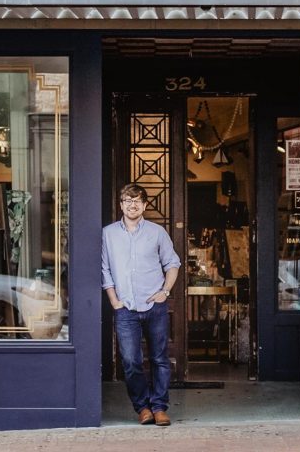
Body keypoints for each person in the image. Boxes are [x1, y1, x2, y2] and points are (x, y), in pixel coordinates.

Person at [101, 183, 181, 427]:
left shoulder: (157, 232)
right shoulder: (108, 233)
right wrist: (114, 300)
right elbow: (104, 268)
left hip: (154, 307)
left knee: (159, 358)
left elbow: (173, 263)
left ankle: (159, 407)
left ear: (144, 205)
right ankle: (142, 407)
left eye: (137, 201)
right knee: (131, 361)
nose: (132, 204)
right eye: (128, 200)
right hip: (125, 308)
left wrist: (165, 291)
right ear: (121, 204)